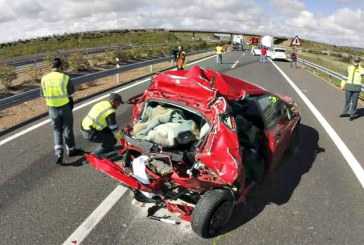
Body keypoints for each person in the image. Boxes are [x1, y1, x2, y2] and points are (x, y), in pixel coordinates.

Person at [41, 58, 83, 164]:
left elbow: (43, 95)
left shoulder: (44, 78)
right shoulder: (65, 77)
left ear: (51, 67)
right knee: (67, 128)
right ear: (60, 67)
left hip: (52, 108)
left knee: (57, 130)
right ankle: (71, 149)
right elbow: (71, 92)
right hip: (65, 106)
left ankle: (59, 152)